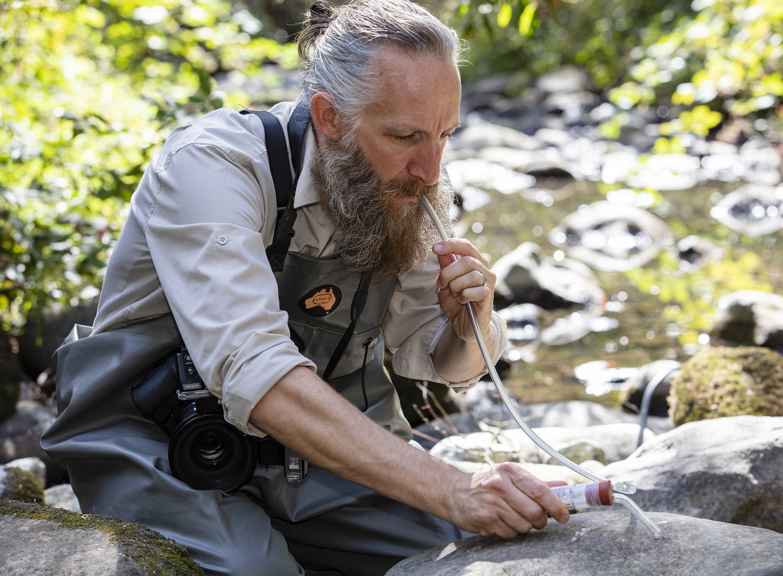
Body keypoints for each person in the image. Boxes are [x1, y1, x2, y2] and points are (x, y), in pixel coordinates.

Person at [42, 0, 570, 574]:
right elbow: (254, 369)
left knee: (487, 546)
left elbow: (437, 358)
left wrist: (470, 326)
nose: (431, 170)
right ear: (330, 116)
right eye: (404, 135)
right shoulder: (213, 165)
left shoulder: (410, 184)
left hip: (319, 462)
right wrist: (451, 487)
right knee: (256, 570)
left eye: (445, 134)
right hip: (161, 443)